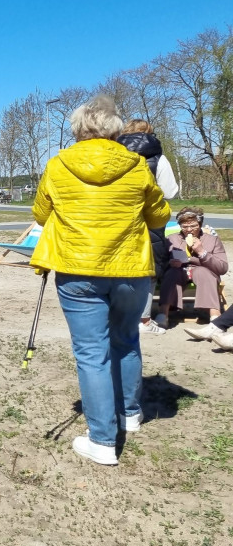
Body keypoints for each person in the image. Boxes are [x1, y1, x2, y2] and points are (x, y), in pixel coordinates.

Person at [29, 95, 170, 466]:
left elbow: (41, 213)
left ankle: (103, 441)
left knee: (92, 354)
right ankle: (130, 413)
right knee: (126, 340)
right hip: (129, 269)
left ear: (77, 129)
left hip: (77, 271)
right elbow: (159, 216)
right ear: (114, 130)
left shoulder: (57, 165)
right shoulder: (138, 165)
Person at [115, 118, 180, 335]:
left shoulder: (114, 156)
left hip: (119, 220)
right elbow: (170, 192)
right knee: (149, 270)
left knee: (119, 269)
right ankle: (143, 320)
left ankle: (120, 317)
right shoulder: (158, 159)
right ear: (150, 134)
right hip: (150, 221)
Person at [157, 206, 228, 330]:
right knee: (172, 274)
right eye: (184, 226)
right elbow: (160, 262)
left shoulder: (212, 240)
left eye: (193, 226)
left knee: (204, 273)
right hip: (177, 271)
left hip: (203, 270)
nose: (189, 230)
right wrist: (170, 263)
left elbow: (222, 267)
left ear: (200, 224)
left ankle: (215, 317)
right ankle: (163, 314)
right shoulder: (172, 239)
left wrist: (202, 253)